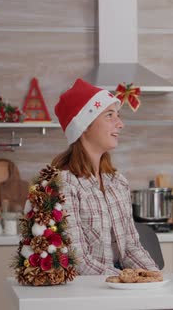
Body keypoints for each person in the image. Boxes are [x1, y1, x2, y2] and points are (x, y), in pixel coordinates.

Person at [52, 78, 158, 275]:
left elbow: (131, 248)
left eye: (118, 115)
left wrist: (155, 277)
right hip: (86, 293)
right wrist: (125, 279)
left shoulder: (117, 182)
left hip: (119, 286)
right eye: (110, 115)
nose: (120, 124)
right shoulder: (64, 184)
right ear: (84, 126)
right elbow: (78, 260)